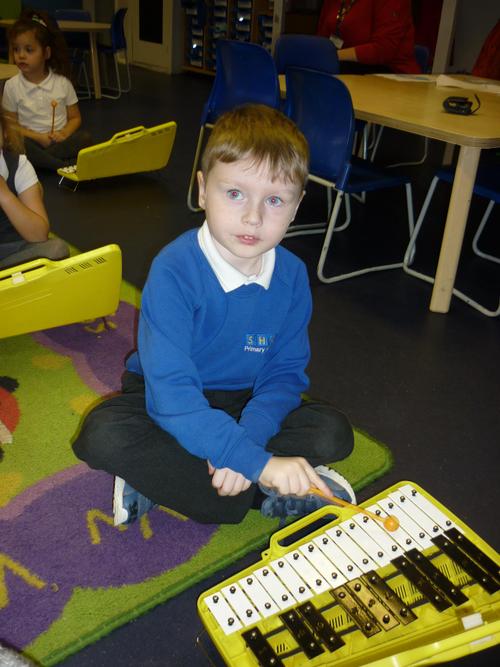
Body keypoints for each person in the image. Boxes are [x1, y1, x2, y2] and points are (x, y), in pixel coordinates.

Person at [73, 104, 356, 526]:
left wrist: (245, 444)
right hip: (166, 396)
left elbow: (283, 376)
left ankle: (168, 480)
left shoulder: (292, 276)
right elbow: (171, 394)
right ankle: (263, 490)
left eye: (274, 200)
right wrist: (255, 463)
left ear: (296, 207)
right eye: (235, 193)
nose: (253, 217)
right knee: (102, 434)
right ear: (203, 190)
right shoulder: (174, 270)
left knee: (333, 432)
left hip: (245, 400)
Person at [1, 10, 92, 171]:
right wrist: (38, 137)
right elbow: (11, 126)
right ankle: (62, 165)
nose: (21, 55)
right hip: (30, 141)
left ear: (46, 53)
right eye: (16, 49)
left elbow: (75, 117)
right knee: (14, 143)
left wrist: (64, 133)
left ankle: (42, 162)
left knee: (85, 138)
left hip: (58, 141)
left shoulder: (63, 83)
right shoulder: (11, 86)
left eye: (29, 50)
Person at [0, 102, 68, 269]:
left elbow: (39, 235)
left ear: (4, 132)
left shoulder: (18, 165)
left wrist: (4, 195)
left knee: (55, 250)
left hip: (10, 252)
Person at [317, 0, 421, 74]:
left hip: (391, 75)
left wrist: (333, 56)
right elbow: (322, 39)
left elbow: (383, 49)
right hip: (345, 68)